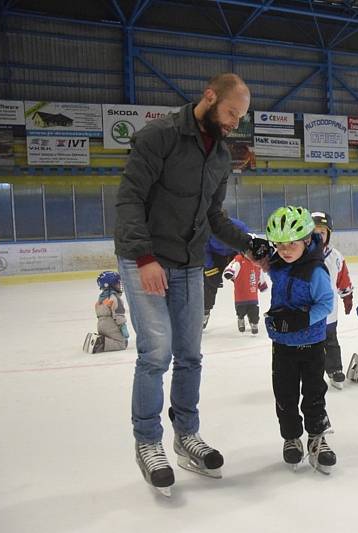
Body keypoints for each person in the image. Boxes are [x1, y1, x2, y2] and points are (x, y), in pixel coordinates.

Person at [114, 73, 268, 496]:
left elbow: (215, 218)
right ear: (209, 97)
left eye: (242, 116)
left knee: (190, 355)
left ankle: (186, 436)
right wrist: (144, 257)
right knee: (156, 353)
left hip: (187, 262)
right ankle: (148, 442)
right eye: (232, 112)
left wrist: (250, 246)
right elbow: (129, 199)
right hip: (144, 257)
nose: (236, 122)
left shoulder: (220, 155)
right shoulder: (158, 136)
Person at [263, 206, 336, 474]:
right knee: (285, 395)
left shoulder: (315, 271)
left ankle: (318, 438)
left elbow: (326, 303)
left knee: (314, 394)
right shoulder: (278, 265)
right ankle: (291, 438)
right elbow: (256, 256)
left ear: (306, 240)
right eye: (279, 245)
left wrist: (301, 320)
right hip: (282, 346)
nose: (285, 250)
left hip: (312, 345)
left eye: (291, 243)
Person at [311, 211, 354, 389]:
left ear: (328, 234)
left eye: (322, 232)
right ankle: (311, 374)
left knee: (331, 342)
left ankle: (334, 369)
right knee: (311, 346)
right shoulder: (301, 256)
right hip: (309, 313)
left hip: (329, 313)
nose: (318, 235)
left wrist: (347, 295)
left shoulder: (336, 256)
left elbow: (342, 278)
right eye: (314, 232)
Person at [203, 215, 252, 329]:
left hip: (235, 255)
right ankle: (205, 311)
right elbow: (203, 250)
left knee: (245, 281)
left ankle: (249, 311)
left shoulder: (239, 226)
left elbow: (248, 242)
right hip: (215, 257)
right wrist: (210, 267)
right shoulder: (206, 229)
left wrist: (244, 259)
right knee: (209, 283)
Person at [82, 271, 130, 354]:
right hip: (110, 325)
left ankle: (101, 338)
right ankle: (99, 343)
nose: (120, 285)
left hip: (101, 325)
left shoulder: (101, 298)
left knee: (113, 338)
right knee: (122, 344)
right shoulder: (115, 298)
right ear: (111, 285)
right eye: (117, 283)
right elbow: (118, 314)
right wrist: (123, 326)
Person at [223, 251, 268, 334]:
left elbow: (259, 274)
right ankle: (240, 318)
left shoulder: (257, 262)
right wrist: (229, 272)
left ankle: (254, 323)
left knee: (254, 311)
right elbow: (231, 266)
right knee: (241, 310)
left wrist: (262, 285)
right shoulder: (239, 259)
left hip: (252, 294)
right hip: (241, 294)